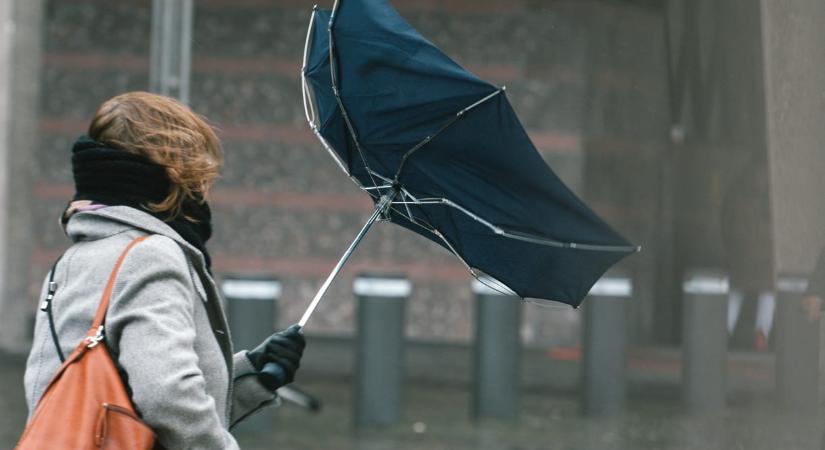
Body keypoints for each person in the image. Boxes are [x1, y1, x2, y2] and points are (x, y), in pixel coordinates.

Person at [23, 91, 305, 449]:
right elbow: (167, 397)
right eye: (198, 171)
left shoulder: (73, 261)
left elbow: (107, 404)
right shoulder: (150, 256)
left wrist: (253, 375)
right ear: (176, 173)